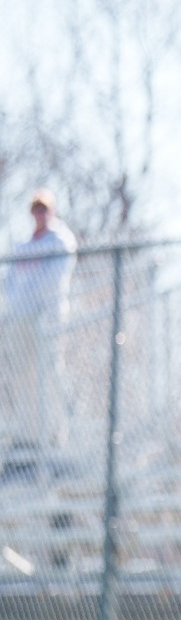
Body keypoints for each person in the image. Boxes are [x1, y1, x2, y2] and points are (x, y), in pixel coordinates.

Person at [1, 189, 77, 448]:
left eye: (44, 208)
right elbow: (9, 282)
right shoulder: (25, 245)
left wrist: (31, 301)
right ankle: (28, 436)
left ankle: (56, 435)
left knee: (50, 374)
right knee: (23, 377)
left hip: (47, 317)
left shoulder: (60, 239)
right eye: (36, 209)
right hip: (20, 319)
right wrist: (18, 304)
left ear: (52, 210)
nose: (39, 213)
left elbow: (53, 280)